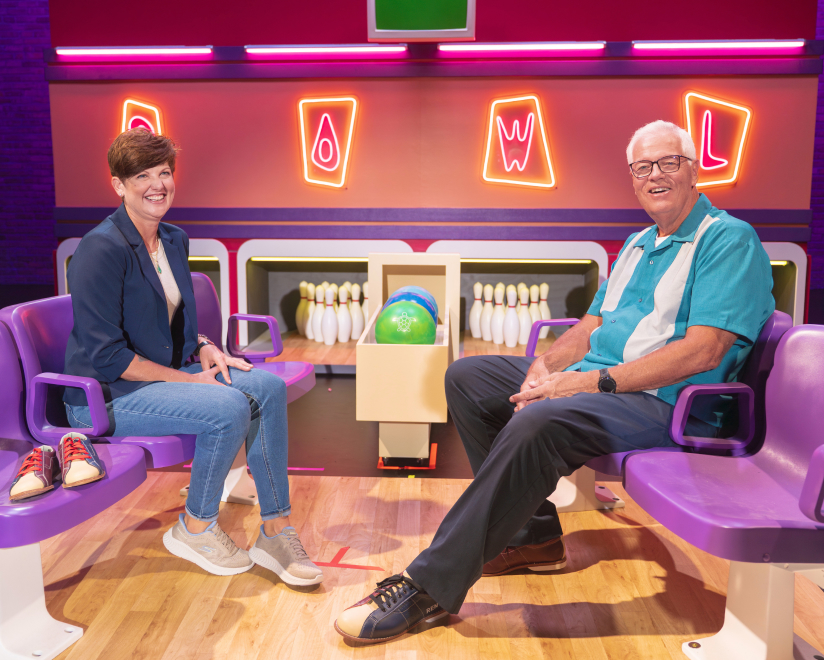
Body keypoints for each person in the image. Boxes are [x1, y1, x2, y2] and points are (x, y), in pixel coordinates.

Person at [334, 120, 775, 642]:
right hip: (609, 387)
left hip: (671, 405)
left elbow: (705, 349)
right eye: (642, 167)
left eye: (668, 163)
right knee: (471, 377)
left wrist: (589, 385)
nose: (654, 175)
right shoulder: (636, 245)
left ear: (693, 169)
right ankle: (532, 539)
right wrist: (546, 367)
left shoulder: (726, 238)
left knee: (541, 419)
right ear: (632, 177)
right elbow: (590, 328)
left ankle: (427, 585)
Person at [63, 127, 323, 585]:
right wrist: (191, 383)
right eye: (141, 175)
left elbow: (171, 321)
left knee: (265, 386)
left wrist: (203, 346)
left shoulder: (173, 239)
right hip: (104, 394)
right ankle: (195, 527)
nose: (156, 185)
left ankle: (275, 528)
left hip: (154, 377)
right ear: (118, 185)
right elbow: (108, 357)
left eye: (163, 172)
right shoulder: (99, 249)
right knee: (227, 406)